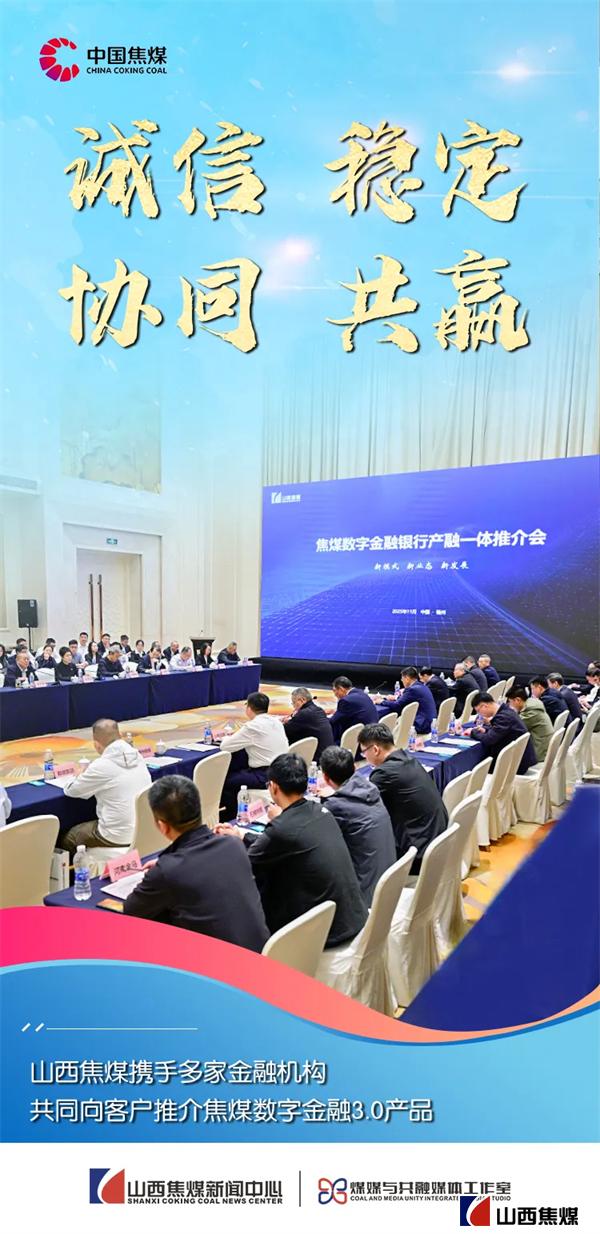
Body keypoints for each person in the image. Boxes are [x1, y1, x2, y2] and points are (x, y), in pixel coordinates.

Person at [219, 752, 368, 947]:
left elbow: (246, 862)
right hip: (352, 918)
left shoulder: (282, 829)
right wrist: (241, 836)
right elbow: (277, 843)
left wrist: (228, 844)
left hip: (328, 934)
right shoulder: (320, 811)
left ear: (273, 787)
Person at [122, 776, 269, 951]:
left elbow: (131, 910)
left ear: (162, 826)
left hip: (217, 965)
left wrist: (165, 868)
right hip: (260, 954)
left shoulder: (168, 871)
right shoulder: (234, 844)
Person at [357, 724, 448, 873]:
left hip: (417, 854)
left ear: (375, 749)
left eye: (364, 752)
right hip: (438, 842)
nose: (365, 758)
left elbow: (362, 807)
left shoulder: (383, 774)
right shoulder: (410, 759)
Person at [60, 718, 152, 855]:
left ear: (96, 744)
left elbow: (71, 790)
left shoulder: (101, 765)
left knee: (69, 837)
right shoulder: (136, 755)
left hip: (116, 835)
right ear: (120, 735)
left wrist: (78, 775)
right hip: (143, 829)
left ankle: (79, 868)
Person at [320, 745, 396, 906]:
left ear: (325, 778)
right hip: (389, 884)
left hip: (363, 896)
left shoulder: (335, 806)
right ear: (355, 768)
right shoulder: (371, 789)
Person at [219, 692, 288, 819]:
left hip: (264, 775)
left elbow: (225, 746)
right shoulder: (276, 722)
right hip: (281, 770)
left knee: (226, 782)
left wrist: (226, 738)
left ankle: (231, 816)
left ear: (249, 708)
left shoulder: (253, 727)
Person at [470, 692, 537, 773]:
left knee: (476, 768)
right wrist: (486, 730)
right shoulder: (506, 711)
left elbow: (489, 739)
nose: (479, 714)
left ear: (484, 706)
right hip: (517, 758)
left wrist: (472, 732)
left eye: (478, 711)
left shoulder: (503, 717)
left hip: (515, 764)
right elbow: (501, 732)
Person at [283, 686, 334, 760]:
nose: (293, 706)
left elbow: (284, 730)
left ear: (302, 700)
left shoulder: (304, 713)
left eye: (294, 702)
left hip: (317, 758)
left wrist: (282, 723)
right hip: (328, 753)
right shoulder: (319, 710)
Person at [506, 685, 553, 762]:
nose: (510, 705)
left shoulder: (530, 712)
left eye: (510, 702)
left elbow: (513, 727)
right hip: (542, 746)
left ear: (517, 700)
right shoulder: (531, 703)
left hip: (539, 751)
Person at [386, 666, 437, 734]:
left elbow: (397, 705)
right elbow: (406, 699)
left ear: (407, 678)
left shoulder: (412, 689)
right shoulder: (422, 686)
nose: (402, 681)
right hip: (430, 723)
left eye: (402, 679)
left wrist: (381, 701)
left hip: (422, 725)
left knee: (396, 723)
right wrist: (396, 698)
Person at [329, 676, 378, 742]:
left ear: (341, 689)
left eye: (335, 691)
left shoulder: (346, 700)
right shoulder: (361, 692)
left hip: (361, 738)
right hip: (373, 733)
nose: (335, 694)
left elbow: (333, 721)